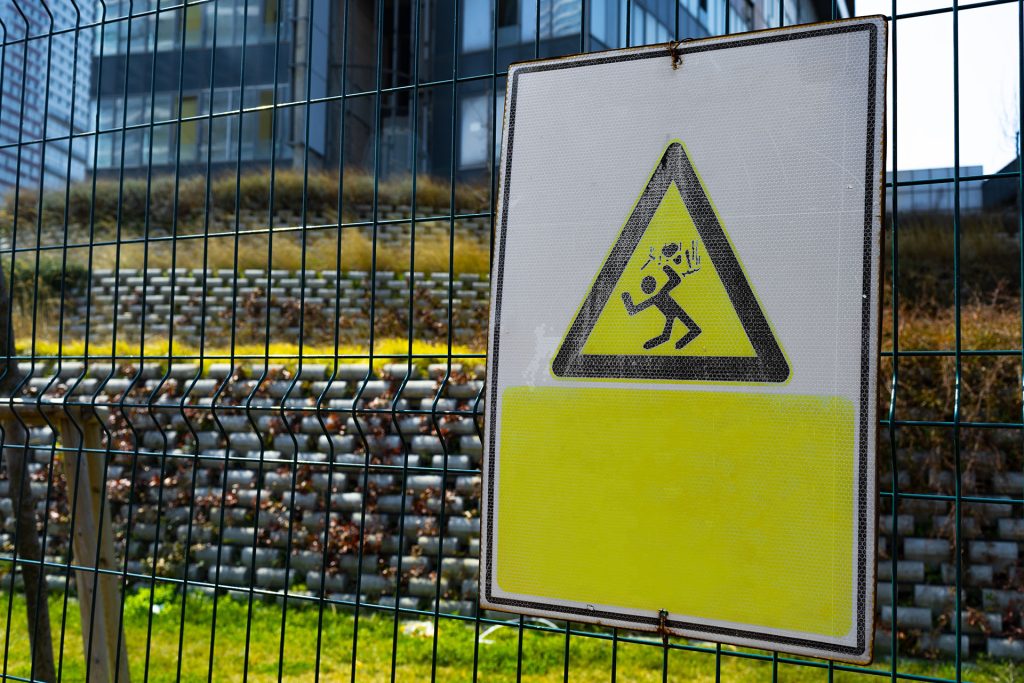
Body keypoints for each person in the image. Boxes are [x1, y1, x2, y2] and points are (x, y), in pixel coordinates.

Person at [621, 263, 701, 350]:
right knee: (671, 334)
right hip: (673, 313)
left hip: (676, 311)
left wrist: (666, 268)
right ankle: (676, 346)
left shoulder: (658, 295)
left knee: (692, 329)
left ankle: (678, 345)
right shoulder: (658, 295)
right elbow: (633, 310)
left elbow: (676, 280)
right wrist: (626, 298)